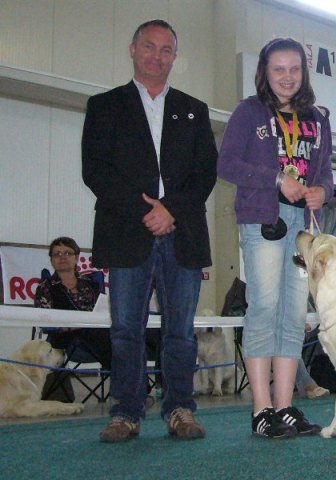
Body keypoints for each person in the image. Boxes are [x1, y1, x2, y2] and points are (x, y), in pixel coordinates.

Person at [82, 19, 218, 442]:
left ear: (175, 57)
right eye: (149, 46)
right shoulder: (104, 106)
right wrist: (149, 212)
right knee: (125, 330)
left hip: (183, 233)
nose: (157, 55)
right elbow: (95, 171)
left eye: (166, 49)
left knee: (181, 331)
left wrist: (171, 210)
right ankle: (126, 412)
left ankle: (180, 408)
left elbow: (205, 173)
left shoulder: (194, 110)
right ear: (133, 49)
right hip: (127, 232)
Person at [217, 37, 334, 438]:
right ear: (264, 73)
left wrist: (323, 192)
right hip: (262, 220)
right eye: (278, 69)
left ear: (304, 73)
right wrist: (275, 179)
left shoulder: (318, 119)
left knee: (294, 315)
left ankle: (285, 407)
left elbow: (326, 172)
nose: (287, 77)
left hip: (304, 225)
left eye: (294, 69)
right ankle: (261, 409)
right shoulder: (249, 112)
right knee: (264, 308)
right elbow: (226, 164)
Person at [34, 236, 112, 399]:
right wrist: (75, 325)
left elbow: (102, 309)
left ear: (76, 258)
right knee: (109, 338)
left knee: (120, 335)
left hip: (97, 333)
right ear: (51, 260)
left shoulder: (91, 284)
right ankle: (131, 385)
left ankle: (130, 384)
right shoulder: (45, 287)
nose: (62, 257)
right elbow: (44, 320)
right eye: (57, 254)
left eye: (67, 253)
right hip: (65, 337)